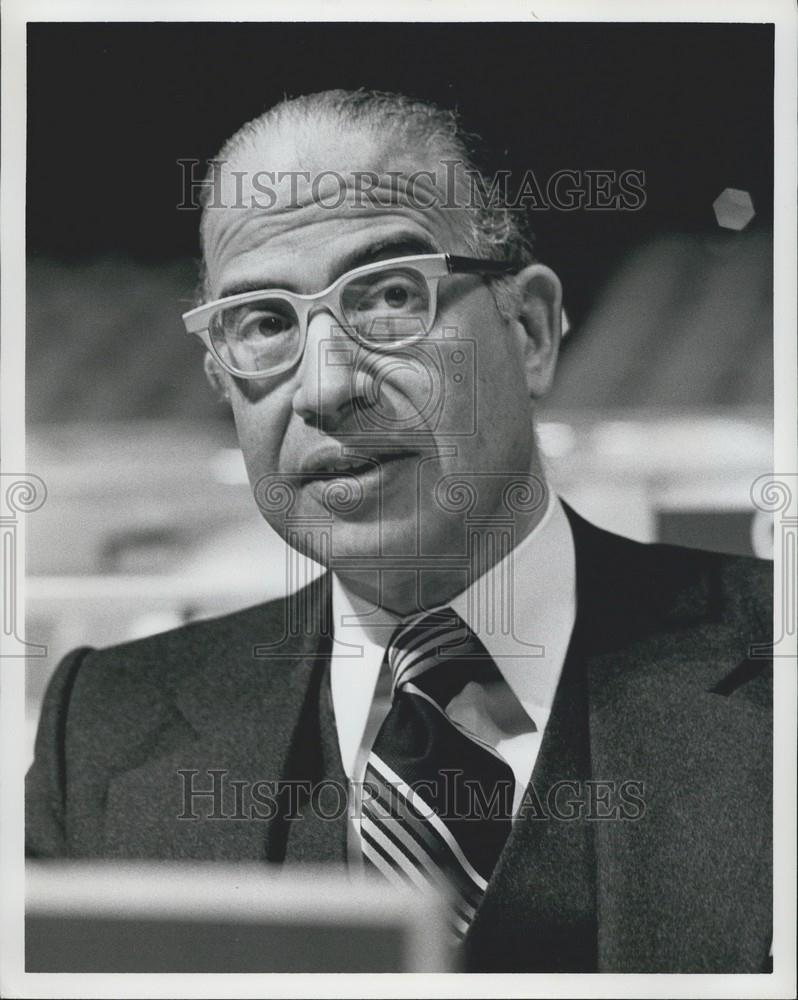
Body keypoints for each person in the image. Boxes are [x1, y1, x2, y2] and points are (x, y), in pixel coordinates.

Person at [25, 89, 772, 973]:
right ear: (221, 381)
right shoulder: (104, 728)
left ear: (529, 331)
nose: (325, 387)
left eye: (386, 296)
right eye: (263, 323)